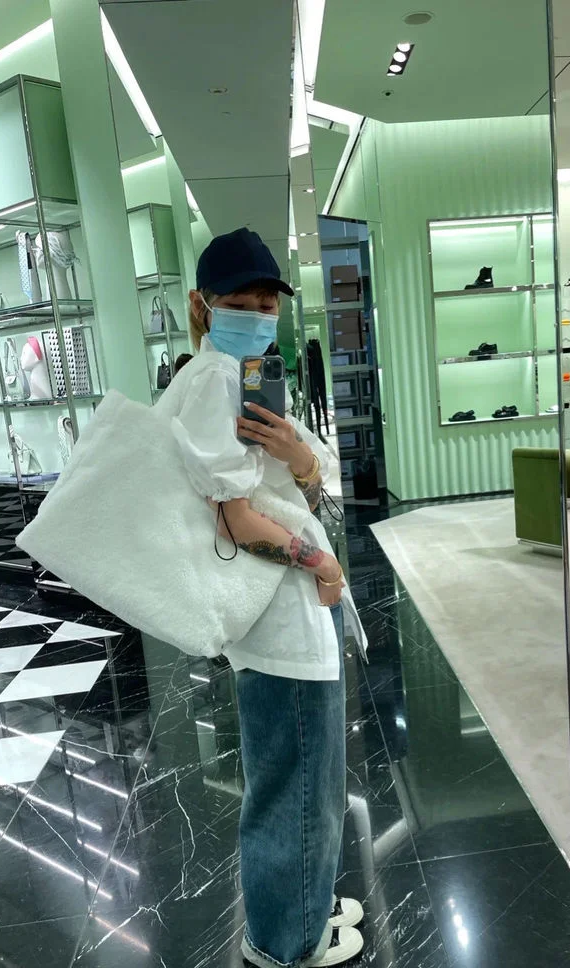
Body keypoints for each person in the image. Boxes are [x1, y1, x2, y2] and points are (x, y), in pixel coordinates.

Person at [177, 228, 365, 968]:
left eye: (267, 304)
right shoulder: (212, 381)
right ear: (204, 304)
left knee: (310, 783)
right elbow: (232, 518)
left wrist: (300, 458)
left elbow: (301, 494)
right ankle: (284, 945)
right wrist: (321, 561)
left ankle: (303, 912)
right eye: (242, 302)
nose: (258, 315)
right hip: (279, 616)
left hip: (294, 611)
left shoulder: (246, 375)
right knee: (294, 788)